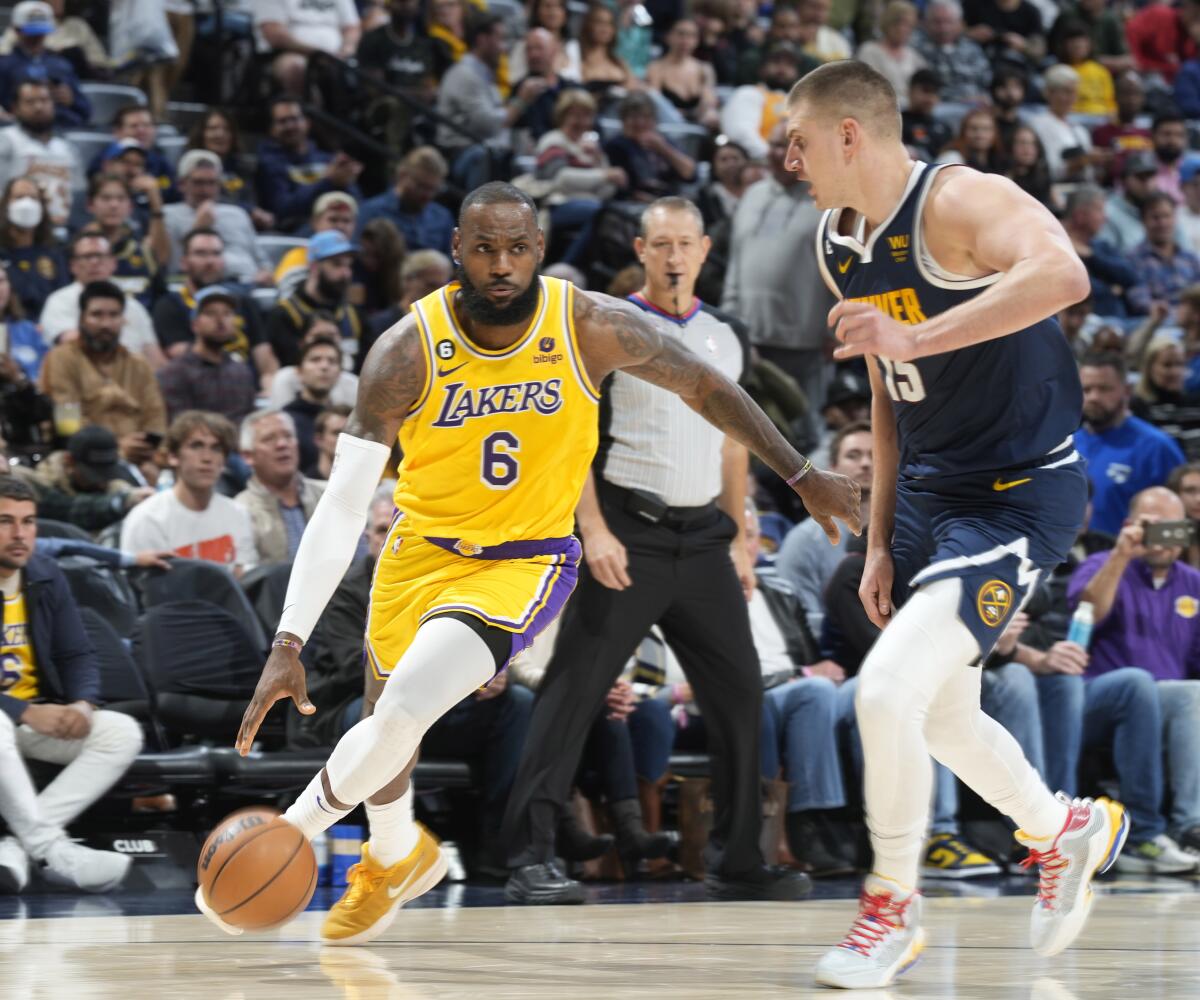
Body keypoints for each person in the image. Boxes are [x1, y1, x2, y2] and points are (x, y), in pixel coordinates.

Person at [202, 182, 859, 944]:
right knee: (390, 735)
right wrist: (289, 641)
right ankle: (391, 854)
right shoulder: (406, 349)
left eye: (517, 248)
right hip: (417, 552)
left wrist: (802, 474)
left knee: (406, 705)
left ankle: (288, 832)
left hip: (524, 560)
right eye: (484, 249)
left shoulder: (588, 326)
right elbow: (345, 505)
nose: (501, 265)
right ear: (458, 250)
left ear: (540, 250)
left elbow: (706, 386)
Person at [784, 61, 1128, 989]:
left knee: (885, 689)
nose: (789, 158)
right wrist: (880, 533)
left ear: (849, 135)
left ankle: (890, 911)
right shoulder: (837, 241)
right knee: (942, 716)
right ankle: (1067, 831)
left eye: (800, 140)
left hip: (1018, 495)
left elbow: (1065, 273)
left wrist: (918, 336)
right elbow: (888, 391)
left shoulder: (964, 198)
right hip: (929, 496)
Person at [503, 196, 819, 906]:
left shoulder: (726, 336)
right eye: (661, 244)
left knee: (741, 695)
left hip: (703, 536)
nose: (675, 256)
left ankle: (741, 858)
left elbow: (734, 441)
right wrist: (594, 528)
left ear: (705, 251)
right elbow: (567, 436)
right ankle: (529, 854)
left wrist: (741, 534)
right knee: (572, 692)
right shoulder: (608, 326)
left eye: (686, 244)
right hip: (627, 528)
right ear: (641, 252)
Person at [0, 476, 142, 894]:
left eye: (28, 522)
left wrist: (82, 705)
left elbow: (77, 653)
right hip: (10, 719)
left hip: (32, 720)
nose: (19, 533)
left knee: (121, 733)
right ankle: (51, 849)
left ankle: (16, 846)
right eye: (5, 521)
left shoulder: (44, 574)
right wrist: (22, 711)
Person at [1068, 486, 1200, 868]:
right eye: (1153, 526)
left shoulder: (1192, 583)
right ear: (1130, 525)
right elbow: (1087, 614)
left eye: (1173, 528)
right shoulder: (1101, 563)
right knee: (1139, 682)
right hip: (1098, 695)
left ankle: (1189, 827)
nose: (1163, 537)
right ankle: (1146, 831)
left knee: (1193, 693)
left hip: (1166, 702)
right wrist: (1122, 554)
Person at [722, 122, 834, 432]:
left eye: (789, 145)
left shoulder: (829, 201)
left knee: (804, 436)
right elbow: (736, 262)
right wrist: (731, 323)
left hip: (804, 343)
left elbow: (845, 271)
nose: (779, 153)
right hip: (748, 339)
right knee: (748, 435)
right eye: (773, 145)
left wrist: (835, 329)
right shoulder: (752, 195)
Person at [39, 281, 166, 468]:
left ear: (123, 320)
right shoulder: (61, 358)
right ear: (81, 319)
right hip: (83, 459)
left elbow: (155, 419)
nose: (106, 324)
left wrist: (144, 447)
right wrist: (116, 447)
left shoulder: (139, 365)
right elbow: (68, 425)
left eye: (114, 315)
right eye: (97, 315)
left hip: (139, 458)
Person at [119, 410, 257, 572]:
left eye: (216, 448)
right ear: (173, 456)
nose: (207, 458)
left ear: (225, 460)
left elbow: (245, 580)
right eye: (196, 446)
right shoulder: (147, 519)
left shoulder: (238, 513)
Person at [777, 422, 873, 638]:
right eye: (853, 455)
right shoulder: (802, 540)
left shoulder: (907, 531)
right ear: (833, 467)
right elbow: (796, 619)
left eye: (875, 455)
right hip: (835, 657)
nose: (866, 463)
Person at [1075, 351, 1187, 536]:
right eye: (1086, 389)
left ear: (1127, 390)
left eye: (1104, 389)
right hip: (1072, 561)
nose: (1093, 397)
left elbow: (1178, 521)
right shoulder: (1066, 445)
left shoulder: (1157, 447)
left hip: (1131, 560)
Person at [435, 12, 546, 191]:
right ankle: (477, 216)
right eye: (500, 39)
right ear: (482, 40)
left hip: (484, 150)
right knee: (485, 155)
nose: (504, 48)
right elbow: (490, 125)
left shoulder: (485, 76)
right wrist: (522, 99)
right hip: (459, 153)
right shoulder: (464, 75)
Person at [152, 229, 277, 384]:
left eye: (216, 254)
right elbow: (179, 354)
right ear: (184, 262)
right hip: (200, 387)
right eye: (201, 254)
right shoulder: (169, 305)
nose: (210, 261)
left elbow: (263, 353)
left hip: (249, 388)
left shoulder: (243, 301)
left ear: (223, 261)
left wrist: (270, 383)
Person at [39, 233, 163, 369]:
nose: (94, 262)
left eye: (100, 256)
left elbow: (155, 358)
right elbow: (72, 345)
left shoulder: (134, 306)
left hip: (134, 380)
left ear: (113, 263)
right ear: (73, 266)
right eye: (87, 257)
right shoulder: (59, 301)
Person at [532, 89, 624, 269]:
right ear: (562, 116)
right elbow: (562, 179)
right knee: (600, 212)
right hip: (555, 204)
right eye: (576, 115)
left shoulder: (588, 148)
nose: (582, 122)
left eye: (587, 116)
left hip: (589, 204)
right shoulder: (553, 141)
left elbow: (606, 191)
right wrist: (604, 174)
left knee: (611, 213)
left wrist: (599, 160)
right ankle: (566, 266)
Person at [12, 424, 151, 534]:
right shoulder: (41, 486)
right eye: (93, 475)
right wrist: (119, 502)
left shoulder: (117, 486)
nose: (101, 482)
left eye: (106, 474)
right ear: (69, 461)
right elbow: (66, 509)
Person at [163, 150, 272, 286]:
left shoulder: (237, 214)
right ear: (181, 184)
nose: (206, 190)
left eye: (212, 183)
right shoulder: (168, 215)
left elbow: (262, 261)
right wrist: (199, 228)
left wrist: (265, 273)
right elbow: (174, 267)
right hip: (205, 286)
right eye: (198, 183)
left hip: (251, 284)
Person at [255, 99, 363, 234]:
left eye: (294, 119)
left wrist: (346, 181)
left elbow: (356, 203)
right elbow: (282, 209)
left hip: (336, 222)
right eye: (282, 121)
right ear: (271, 129)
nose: (290, 126)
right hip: (295, 230)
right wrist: (328, 182)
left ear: (307, 123)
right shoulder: (269, 163)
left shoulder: (327, 159)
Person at [266, 230, 369, 371]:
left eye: (348, 265)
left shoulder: (355, 315)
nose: (346, 273)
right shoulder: (283, 315)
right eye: (337, 265)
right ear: (314, 267)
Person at [156, 285, 257, 424]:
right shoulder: (174, 373)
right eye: (210, 313)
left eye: (227, 313)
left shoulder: (241, 371)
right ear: (194, 324)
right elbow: (180, 428)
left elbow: (250, 421)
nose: (220, 320)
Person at [235, 409, 325, 564]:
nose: (282, 444)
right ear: (248, 456)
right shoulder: (239, 510)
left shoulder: (329, 495)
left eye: (288, 436)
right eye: (269, 439)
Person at [0, 79, 80, 228]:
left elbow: (79, 194)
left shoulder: (67, 147)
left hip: (63, 227)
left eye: (44, 100)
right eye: (30, 102)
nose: (39, 107)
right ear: (15, 108)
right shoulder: (5, 140)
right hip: (15, 227)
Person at [0, 1, 89, 128]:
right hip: (18, 129)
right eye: (31, 33)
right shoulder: (4, 65)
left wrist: (72, 100)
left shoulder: (60, 64)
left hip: (62, 126)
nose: (37, 37)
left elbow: (86, 112)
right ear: (17, 30)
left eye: (41, 32)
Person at [84, 173, 167, 309]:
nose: (114, 205)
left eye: (121, 199)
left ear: (130, 207)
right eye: (106, 198)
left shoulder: (144, 253)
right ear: (90, 205)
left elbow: (160, 298)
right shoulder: (76, 251)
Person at [357, 147, 454, 258]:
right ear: (402, 176)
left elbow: (452, 265)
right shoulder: (372, 212)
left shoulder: (442, 217)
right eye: (421, 186)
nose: (428, 195)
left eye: (433, 189)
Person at [720, 42, 805, 164]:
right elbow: (741, 134)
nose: (782, 69)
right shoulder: (749, 93)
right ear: (762, 68)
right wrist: (775, 159)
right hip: (758, 165)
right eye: (776, 62)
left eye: (789, 65)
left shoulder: (797, 102)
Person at [255, 0, 361, 97]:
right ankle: (301, 113)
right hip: (288, 52)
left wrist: (346, 49)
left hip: (337, 55)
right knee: (293, 67)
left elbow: (352, 28)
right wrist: (316, 53)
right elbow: (274, 33)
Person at [604, 91, 696, 202]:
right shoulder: (615, 146)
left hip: (670, 200)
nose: (640, 123)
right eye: (634, 117)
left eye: (646, 117)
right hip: (634, 205)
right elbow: (621, 189)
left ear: (654, 120)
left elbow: (690, 174)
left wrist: (664, 149)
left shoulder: (664, 142)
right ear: (623, 120)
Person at [1062, 185, 1137, 318]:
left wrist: (1091, 256)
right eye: (1099, 210)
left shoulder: (1100, 246)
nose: (1105, 218)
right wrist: (1110, 288)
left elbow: (1130, 276)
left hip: (1120, 321)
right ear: (1080, 216)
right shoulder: (1059, 248)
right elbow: (1083, 291)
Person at [186, 108, 267, 225]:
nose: (220, 134)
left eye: (226, 129)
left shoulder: (242, 167)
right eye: (213, 129)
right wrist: (248, 210)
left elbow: (252, 200)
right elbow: (205, 197)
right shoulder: (191, 165)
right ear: (202, 133)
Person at [281, 329, 345, 477]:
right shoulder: (285, 421)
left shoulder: (348, 419)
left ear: (340, 373)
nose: (324, 366)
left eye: (332, 361)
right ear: (299, 371)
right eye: (315, 360)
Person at [0, 176, 65, 318]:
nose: (26, 204)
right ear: (5, 205)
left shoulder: (53, 253)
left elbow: (62, 296)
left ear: (42, 207)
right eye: (19, 197)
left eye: (33, 198)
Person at [1129, 192, 1200, 315]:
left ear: (1175, 218)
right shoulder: (1134, 259)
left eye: (1167, 216)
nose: (1162, 223)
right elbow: (1140, 300)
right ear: (1143, 221)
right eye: (1155, 218)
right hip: (1159, 323)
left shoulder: (1190, 258)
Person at [913, 0, 990, 105]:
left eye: (948, 22)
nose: (943, 28)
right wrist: (960, 99)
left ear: (960, 24)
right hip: (939, 106)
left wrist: (984, 97)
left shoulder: (972, 48)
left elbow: (986, 80)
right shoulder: (917, 49)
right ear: (926, 23)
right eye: (937, 22)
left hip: (976, 107)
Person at [646, 18, 719, 129]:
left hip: (698, 128)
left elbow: (709, 102)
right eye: (681, 34)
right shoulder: (656, 68)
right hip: (668, 128)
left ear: (697, 41)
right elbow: (655, 105)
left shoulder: (704, 69)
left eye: (692, 36)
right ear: (668, 37)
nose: (685, 41)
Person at [856, 1, 925, 105]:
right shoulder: (869, 51)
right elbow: (866, 89)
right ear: (887, 23)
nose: (903, 29)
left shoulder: (915, 57)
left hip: (913, 112)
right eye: (899, 23)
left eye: (909, 25)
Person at [901, 68, 952, 162]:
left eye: (935, 93)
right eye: (926, 91)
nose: (930, 98)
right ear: (910, 91)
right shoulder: (897, 123)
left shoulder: (944, 128)